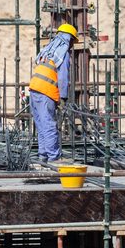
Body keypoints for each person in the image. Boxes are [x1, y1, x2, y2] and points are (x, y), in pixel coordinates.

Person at [28, 23, 77, 163]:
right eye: (73, 41)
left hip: (34, 89)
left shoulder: (47, 51)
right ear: (69, 39)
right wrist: (63, 97)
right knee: (49, 124)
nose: (73, 45)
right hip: (46, 92)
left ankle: (43, 155)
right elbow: (62, 78)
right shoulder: (63, 54)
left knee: (42, 124)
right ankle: (54, 157)